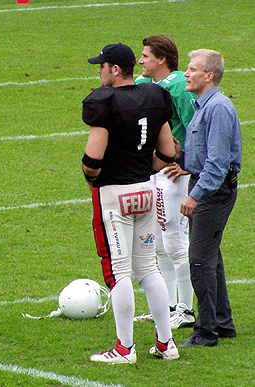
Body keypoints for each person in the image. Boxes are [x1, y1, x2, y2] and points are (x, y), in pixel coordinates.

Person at [82, 43, 179, 364]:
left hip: (114, 195)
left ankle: (125, 349)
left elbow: (92, 159)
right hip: (145, 192)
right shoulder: (153, 95)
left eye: (102, 66)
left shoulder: (103, 102)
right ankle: (166, 344)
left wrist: (93, 176)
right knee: (148, 268)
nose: (98, 71)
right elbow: (168, 153)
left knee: (118, 272)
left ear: (114, 69)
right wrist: (141, 168)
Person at [178, 49, 241, 347]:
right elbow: (204, 155)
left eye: (192, 69)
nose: (187, 74)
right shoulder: (205, 105)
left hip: (213, 191)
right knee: (210, 256)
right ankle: (222, 323)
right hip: (209, 186)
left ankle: (205, 332)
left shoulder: (217, 108)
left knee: (200, 260)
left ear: (209, 76)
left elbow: (217, 163)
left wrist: (195, 196)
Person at [133, 35, 196, 329]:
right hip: (153, 170)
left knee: (174, 239)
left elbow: (197, 127)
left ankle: (185, 309)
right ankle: (169, 306)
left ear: (162, 59)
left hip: (172, 172)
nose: (141, 60)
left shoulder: (181, 87)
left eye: (146, 56)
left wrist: (187, 163)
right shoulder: (143, 85)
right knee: (158, 242)